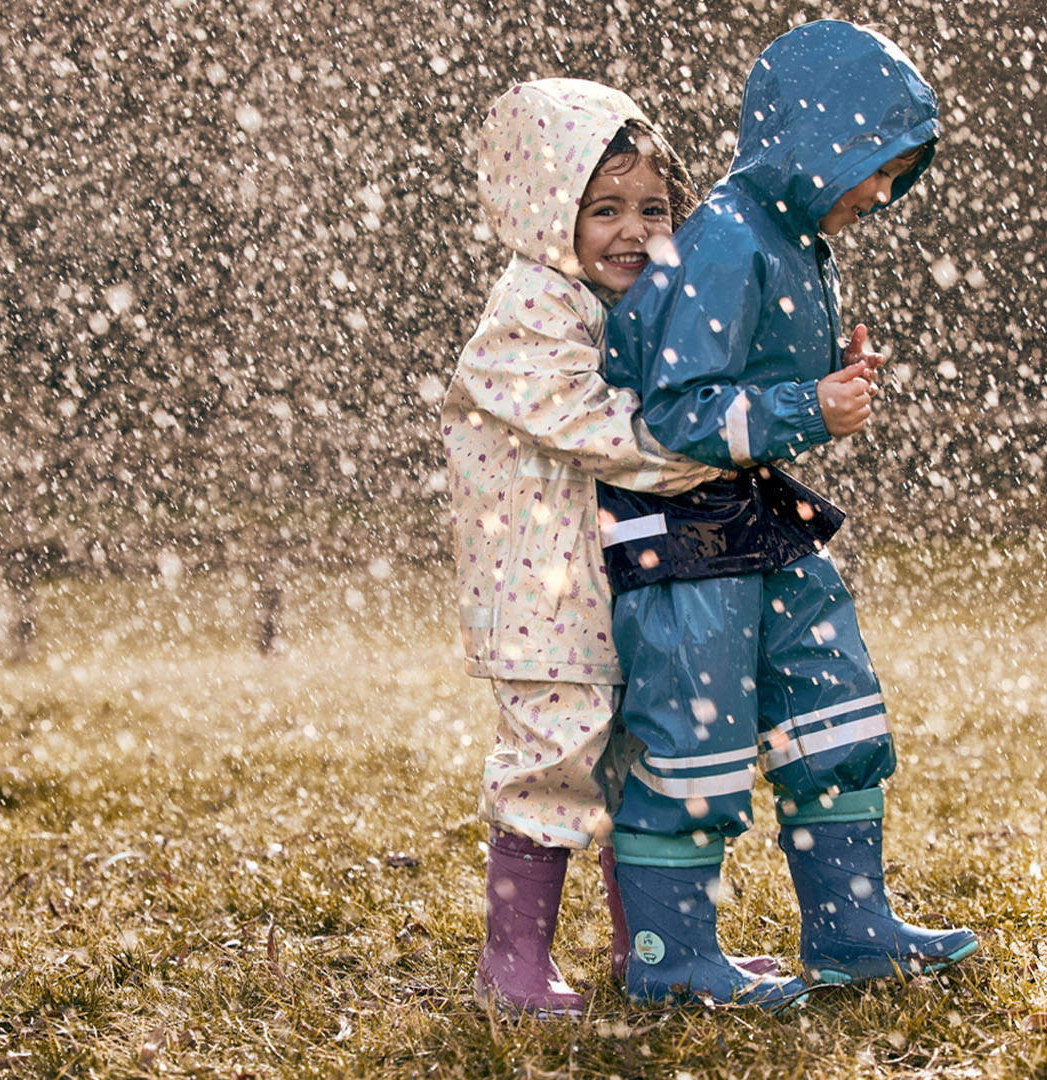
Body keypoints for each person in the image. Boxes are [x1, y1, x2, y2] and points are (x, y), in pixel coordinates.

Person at [595, 21, 980, 1010]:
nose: (881, 194)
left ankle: (850, 927)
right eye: (874, 169)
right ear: (816, 146)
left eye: (897, 173)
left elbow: (748, 385)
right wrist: (807, 406)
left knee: (831, 701)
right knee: (694, 735)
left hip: (757, 518)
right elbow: (676, 409)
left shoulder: (787, 237)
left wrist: (821, 384)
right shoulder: (724, 240)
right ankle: (671, 960)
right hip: (680, 534)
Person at [440, 79, 792, 1019]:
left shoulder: (631, 306)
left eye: (653, 208)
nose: (634, 230)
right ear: (545, 212)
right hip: (543, 590)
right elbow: (589, 425)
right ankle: (513, 964)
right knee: (555, 758)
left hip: (628, 578)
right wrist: (697, 447)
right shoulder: (531, 310)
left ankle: (660, 946)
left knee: (640, 757)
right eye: (604, 210)